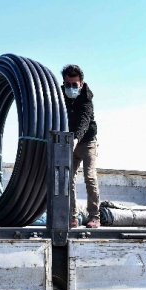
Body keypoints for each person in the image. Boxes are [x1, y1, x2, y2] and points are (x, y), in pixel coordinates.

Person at [62, 64, 100, 228]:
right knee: (67, 179)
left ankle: (95, 217)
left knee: (89, 177)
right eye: (67, 85)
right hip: (70, 142)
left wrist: (76, 139)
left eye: (74, 85)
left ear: (81, 84)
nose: (70, 88)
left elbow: (84, 122)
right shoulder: (60, 96)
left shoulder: (86, 99)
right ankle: (72, 217)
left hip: (87, 143)